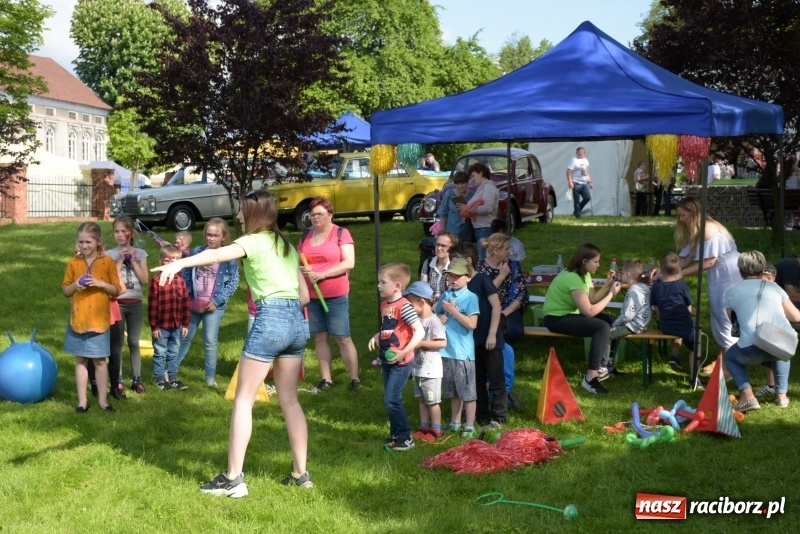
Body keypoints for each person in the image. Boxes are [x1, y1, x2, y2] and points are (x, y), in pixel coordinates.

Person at [155, 189, 312, 497]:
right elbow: (305, 296)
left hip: (270, 319)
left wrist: (179, 264)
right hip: (297, 322)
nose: (238, 216)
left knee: (243, 399)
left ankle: (233, 479)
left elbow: (215, 255)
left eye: (241, 211)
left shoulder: (253, 241)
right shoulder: (287, 246)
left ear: (253, 214)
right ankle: (301, 475)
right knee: (290, 400)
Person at [724, 251, 800, 412]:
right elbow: (796, 316)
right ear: (762, 269)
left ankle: (747, 395)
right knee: (780, 350)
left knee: (730, 357)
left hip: (751, 348)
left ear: (740, 271)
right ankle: (782, 396)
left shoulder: (731, 292)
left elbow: (733, 322)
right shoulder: (776, 289)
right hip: (783, 344)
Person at [297, 197, 360, 391]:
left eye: (320, 214)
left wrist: (322, 274)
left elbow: (349, 263)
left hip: (335, 293)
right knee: (319, 337)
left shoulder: (341, 233)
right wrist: (303, 271)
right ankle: (326, 379)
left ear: (330, 215)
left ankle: (354, 379)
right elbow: (299, 261)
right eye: (312, 214)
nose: (315, 217)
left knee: (342, 337)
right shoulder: (305, 237)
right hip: (312, 295)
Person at [543, 243, 622, 395]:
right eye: (596, 261)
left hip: (569, 314)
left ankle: (607, 367)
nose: (599, 265)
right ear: (584, 261)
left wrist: (607, 285)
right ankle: (590, 378)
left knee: (614, 321)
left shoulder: (584, 275)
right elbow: (589, 311)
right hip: (555, 319)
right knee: (602, 327)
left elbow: (592, 299)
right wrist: (611, 294)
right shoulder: (572, 278)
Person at [62, 222, 123, 413]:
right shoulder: (74, 263)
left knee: (99, 361)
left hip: (100, 321)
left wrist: (100, 283)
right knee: (80, 360)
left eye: (88, 242)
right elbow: (66, 289)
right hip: (79, 319)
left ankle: (103, 401)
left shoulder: (107, 262)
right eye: (81, 242)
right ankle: (82, 401)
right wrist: (75, 286)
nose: (84, 246)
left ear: (98, 242)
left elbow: (117, 290)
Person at [675, 196, 741, 372]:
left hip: (729, 274)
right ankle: (722, 361)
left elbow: (710, 261)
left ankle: (729, 367)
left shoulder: (708, 229)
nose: (681, 220)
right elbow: (687, 258)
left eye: (683, 215)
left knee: (725, 317)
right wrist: (665, 270)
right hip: (720, 275)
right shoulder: (699, 230)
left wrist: (681, 273)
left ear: (693, 212)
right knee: (718, 317)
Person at [368, 263, 425, 452]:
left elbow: (419, 331)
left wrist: (404, 352)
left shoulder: (405, 306)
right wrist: (377, 336)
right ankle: (396, 435)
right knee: (390, 397)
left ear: (398, 286)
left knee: (392, 398)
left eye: (383, 282)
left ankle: (405, 437)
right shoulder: (385, 305)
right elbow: (391, 328)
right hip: (387, 358)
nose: (378, 285)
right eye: (378, 281)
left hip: (402, 360)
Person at [176, 218, 240, 387]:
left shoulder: (229, 257)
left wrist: (217, 301)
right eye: (208, 234)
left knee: (210, 340)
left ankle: (210, 378)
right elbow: (186, 272)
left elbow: (232, 283)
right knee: (184, 337)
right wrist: (189, 293)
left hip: (213, 306)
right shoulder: (198, 251)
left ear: (223, 237)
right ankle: (171, 371)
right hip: (194, 303)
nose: (211, 238)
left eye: (215, 235)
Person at [451, 243, 507, 427]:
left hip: (489, 339)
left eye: (455, 261)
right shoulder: (458, 285)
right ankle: (481, 415)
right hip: (470, 343)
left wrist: (492, 334)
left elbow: (496, 306)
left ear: (468, 261)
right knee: (477, 381)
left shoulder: (482, 280)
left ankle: (499, 416)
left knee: (496, 379)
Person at [434, 257, 480, 438]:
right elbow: (434, 313)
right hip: (446, 350)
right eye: (450, 276)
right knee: (453, 390)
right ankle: (455, 422)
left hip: (463, 353)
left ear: (468, 277)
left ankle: (469, 426)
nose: (452, 280)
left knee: (467, 391)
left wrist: (452, 311)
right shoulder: (446, 295)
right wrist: (440, 317)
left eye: (457, 276)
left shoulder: (471, 297)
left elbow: (472, 324)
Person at [104, 216, 149, 396]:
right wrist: (121, 260)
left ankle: (137, 379)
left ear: (131, 233)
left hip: (135, 304)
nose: (120, 235)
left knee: (133, 341)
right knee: (117, 343)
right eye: (117, 231)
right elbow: (110, 279)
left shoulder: (141, 254)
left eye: (124, 231)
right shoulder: (109, 255)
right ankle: (119, 378)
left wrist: (134, 262)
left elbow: (145, 280)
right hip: (117, 303)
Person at [405, 282, 447, 442]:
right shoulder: (416, 321)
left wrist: (421, 343)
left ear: (421, 303)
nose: (407, 307)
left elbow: (442, 343)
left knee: (432, 401)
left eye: (410, 304)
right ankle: (424, 427)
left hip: (431, 370)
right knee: (422, 399)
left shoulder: (434, 321)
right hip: (418, 369)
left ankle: (436, 429)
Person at [651, 252, 698, 384]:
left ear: (661, 269)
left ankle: (674, 355)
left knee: (678, 328)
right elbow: (688, 309)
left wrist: (661, 320)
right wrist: (695, 312)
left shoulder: (656, 287)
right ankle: (695, 377)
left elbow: (656, 308)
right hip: (684, 326)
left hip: (666, 326)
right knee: (696, 346)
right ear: (679, 270)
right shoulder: (682, 286)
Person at [148, 244, 190, 391]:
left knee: (173, 352)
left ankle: (172, 378)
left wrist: (185, 324)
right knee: (160, 352)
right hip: (161, 326)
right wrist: (154, 326)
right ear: (161, 261)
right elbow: (153, 305)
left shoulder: (181, 282)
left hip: (177, 325)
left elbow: (185, 303)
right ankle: (160, 379)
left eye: (175, 260)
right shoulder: (156, 281)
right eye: (167, 260)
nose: (170, 263)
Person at [602, 259, 652, 377]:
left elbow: (628, 316)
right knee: (615, 334)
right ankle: (609, 366)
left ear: (628, 275)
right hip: (641, 324)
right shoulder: (643, 288)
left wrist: (615, 324)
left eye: (623, 273)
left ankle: (603, 367)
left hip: (633, 325)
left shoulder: (633, 292)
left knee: (607, 334)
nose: (621, 275)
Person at [463, 162, 499, 260]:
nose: (472, 179)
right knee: (482, 256)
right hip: (480, 228)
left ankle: (485, 275)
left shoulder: (489, 188)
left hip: (485, 228)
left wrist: (471, 211)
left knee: (484, 258)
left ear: (481, 173)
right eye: (471, 177)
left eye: (473, 176)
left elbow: (487, 208)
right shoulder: (481, 189)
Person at [420, 231, 456, 302]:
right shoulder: (428, 263)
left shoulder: (455, 265)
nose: (439, 248)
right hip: (429, 302)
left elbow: (452, 292)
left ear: (452, 248)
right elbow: (423, 287)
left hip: (447, 303)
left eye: (443, 246)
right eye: (437, 245)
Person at [436, 171, 474, 236]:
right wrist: (442, 228)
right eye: (458, 183)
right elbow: (443, 212)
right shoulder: (449, 194)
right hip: (451, 230)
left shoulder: (473, 195)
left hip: (467, 231)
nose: (460, 186)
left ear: (467, 182)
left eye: (463, 183)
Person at [566, 146, 592, 218]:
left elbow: (586, 172)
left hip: (584, 183)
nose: (580, 154)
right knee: (576, 200)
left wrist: (589, 181)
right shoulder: (574, 160)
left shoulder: (585, 160)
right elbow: (568, 171)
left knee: (587, 197)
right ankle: (578, 215)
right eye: (578, 153)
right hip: (576, 183)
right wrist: (570, 182)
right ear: (576, 153)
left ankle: (577, 211)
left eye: (581, 153)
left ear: (584, 153)